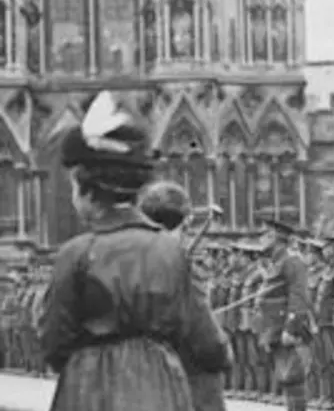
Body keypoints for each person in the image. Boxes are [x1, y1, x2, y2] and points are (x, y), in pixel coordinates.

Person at [38, 90, 231, 411]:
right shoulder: (172, 253)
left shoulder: (76, 254)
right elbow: (206, 341)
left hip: (88, 390)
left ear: (87, 191)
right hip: (160, 387)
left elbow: (54, 342)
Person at [138, 179, 229, 411]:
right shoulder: (180, 268)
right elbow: (208, 341)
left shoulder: (128, 264)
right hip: (186, 385)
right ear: (184, 224)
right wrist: (224, 353)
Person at [256, 219, 317, 411]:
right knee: (286, 378)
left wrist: (291, 328)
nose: (261, 238)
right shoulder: (277, 262)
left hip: (288, 329)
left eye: (265, 234)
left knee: (294, 377)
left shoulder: (292, 261)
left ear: (275, 237)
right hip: (275, 329)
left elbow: (298, 296)